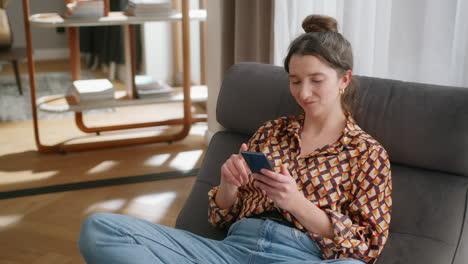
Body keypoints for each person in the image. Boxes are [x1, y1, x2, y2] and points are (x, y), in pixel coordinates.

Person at [78, 15, 392, 264]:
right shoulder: (272, 131)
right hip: (229, 251)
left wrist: (296, 202)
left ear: (344, 79)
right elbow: (220, 216)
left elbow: (367, 248)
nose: (303, 92)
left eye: (316, 80)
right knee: (100, 229)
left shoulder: (368, 154)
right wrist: (228, 186)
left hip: (300, 255)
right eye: (295, 81)